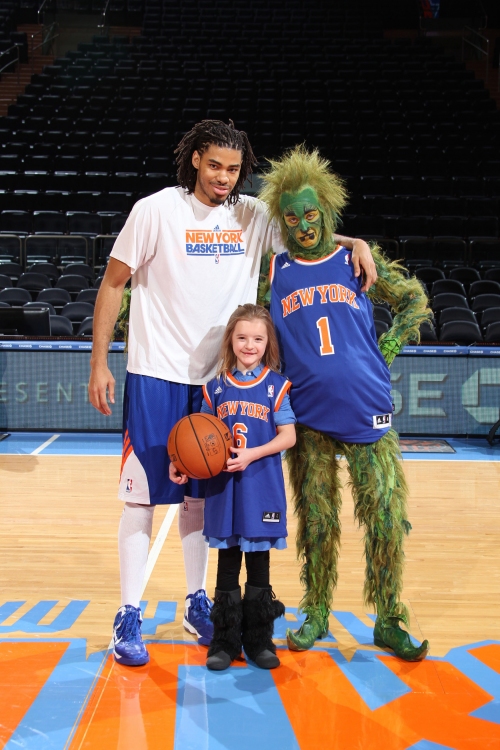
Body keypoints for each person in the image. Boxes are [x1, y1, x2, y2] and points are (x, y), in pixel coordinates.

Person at [88, 120, 377, 667]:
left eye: (234, 169)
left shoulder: (252, 215)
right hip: (157, 372)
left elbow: (305, 235)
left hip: (221, 384)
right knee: (143, 496)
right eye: (215, 165)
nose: (224, 177)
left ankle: (199, 600)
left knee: (203, 496)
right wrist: (100, 360)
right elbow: (113, 282)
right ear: (195, 159)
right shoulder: (155, 210)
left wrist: (356, 241)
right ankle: (128, 613)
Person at [258, 145, 432, 661]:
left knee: (383, 516)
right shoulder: (275, 270)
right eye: (292, 217)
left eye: (311, 214)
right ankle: (316, 612)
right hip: (307, 415)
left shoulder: (356, 260)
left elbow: (414, 298)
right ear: (281, 221)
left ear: (327, 210)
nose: (304, 225)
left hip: (367, 406)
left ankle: (389, 617)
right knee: (317, 519)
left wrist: (388, 352)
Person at [170, 304, 296, 671]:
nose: (249, 344)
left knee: (259, 566)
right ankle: (225, 642)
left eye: (257, 338)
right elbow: (198, 441)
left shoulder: (276, 385)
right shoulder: (216, 388)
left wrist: (252, 453)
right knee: (227, 566)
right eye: (242, 337)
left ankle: (259, 641)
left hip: (261, 486)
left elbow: (288, 436)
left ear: (267, 342)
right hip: (224, 489)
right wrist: (180, 462)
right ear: (231, 340)